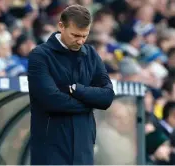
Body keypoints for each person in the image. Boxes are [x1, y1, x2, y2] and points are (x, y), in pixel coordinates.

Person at [27, 4, 114, 165]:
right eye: (75, 35)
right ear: (61, 26)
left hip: (83, 147)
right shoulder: (40, 56)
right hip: (50, 150)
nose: (80, 41)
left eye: (85, 35)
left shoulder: (91, 54)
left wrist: (77, 90)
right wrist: (89, 103)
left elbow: (107, 97)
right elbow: (51, 100)